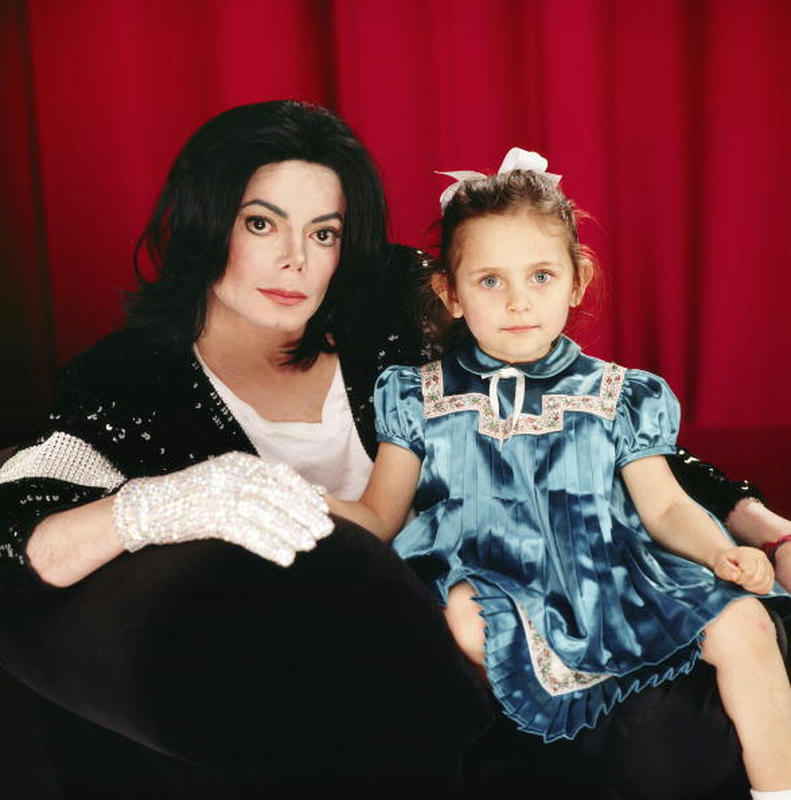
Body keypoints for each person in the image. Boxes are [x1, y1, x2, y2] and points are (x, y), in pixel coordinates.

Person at [0, 104, 787, 799]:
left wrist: (760, 524)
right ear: (205, 221)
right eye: (261, 224)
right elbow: (20, 528)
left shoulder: (395, 306)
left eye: (324, 232)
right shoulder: (130, 380)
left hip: (550, 603)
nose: (295, 259)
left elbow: (585, 429)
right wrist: (162, 503)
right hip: (396, 677)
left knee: (683, 725)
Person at [327, 148, 791, 799]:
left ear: (576, 281)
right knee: (463, 622)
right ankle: (545, 741)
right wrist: (285, 494)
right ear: (450, 294)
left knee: (746, 625)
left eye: (540, 276)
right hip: (492, 578)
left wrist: (720, 553)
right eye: (490, 281)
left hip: (611, 574)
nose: (518, 301)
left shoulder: (620, 394)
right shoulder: (417, 396)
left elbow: (664, 507)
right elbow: (379, 514)